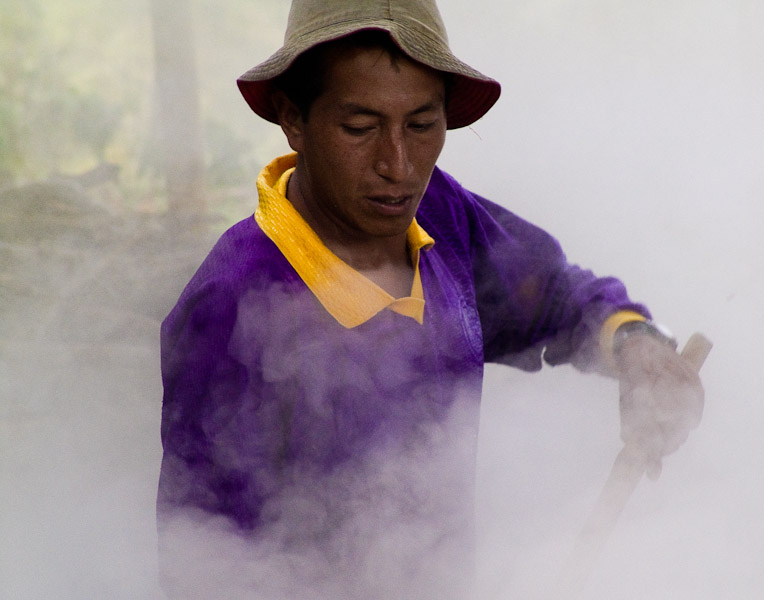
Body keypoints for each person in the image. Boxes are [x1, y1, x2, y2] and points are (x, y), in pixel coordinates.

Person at [155, 1, 704, 598]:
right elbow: (208, 567)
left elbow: (558, 296)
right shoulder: (235, 305)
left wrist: (634, 344)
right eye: (360, 128)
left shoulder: (438, 213)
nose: (398, 165)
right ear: (293, 118)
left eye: (421, 125)